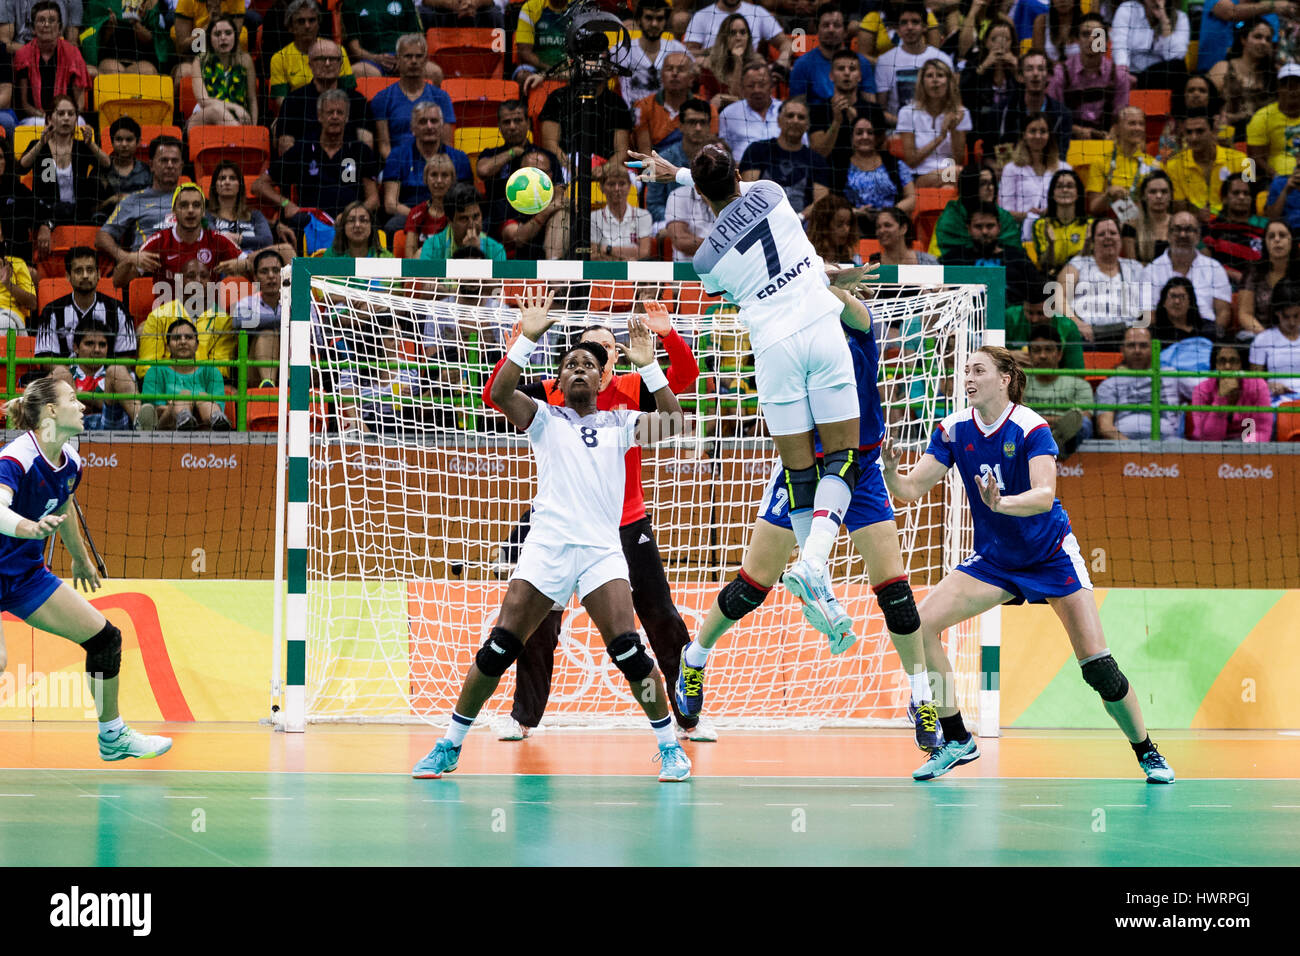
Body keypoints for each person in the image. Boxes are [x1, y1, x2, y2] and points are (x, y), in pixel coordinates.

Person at [411, 294, 693, 782]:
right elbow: (499, 393)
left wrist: (650, 368)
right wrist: (525, 340)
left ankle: (670, 746)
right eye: (571, 364)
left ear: (604, 377)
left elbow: (673, 422)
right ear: (558, 381)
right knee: (499, 648)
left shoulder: (621, 424)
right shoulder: (545, 419)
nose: (580, 368)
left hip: (602, 551)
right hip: (546, 549)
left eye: (590, 363)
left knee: (629, 650)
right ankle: (450, 743)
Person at [880, 346, 1175, 783]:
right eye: (966, 371)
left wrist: (1001, 502)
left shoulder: (1031, 427)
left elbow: (1043, 495)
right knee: (920, 625)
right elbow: (909, 489)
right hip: (998, 559)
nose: (969, 377)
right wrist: (889, 470)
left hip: (1050, 555)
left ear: (1004, 379)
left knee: (1098, 667)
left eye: (979, 370)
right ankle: (958, 738)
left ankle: (1146, 750)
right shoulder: (952, 429)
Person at [633, 142, 877, 650]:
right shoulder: (770, 191)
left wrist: (683, 179)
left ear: (699, 192)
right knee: (843, 456)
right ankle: (813, 564)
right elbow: (740, 196)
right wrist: (683, 175)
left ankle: (819, 580)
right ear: (741, 173)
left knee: (799, 471)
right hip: (820, 328)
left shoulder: (703, 261)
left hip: (773, 351)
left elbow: (728, 210)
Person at [677, 283, 936, 749]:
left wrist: (815, 277)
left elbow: (856, 310)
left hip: (862, 467)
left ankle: (921, 696)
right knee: (752, 586)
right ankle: (693, 658)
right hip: (801, 470)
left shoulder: (856, 331)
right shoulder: (790, 337)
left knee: (895, 590)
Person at [479, 313, 709, 742]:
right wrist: (519, 342)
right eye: (586, 353)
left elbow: (687, 378)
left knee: (660, 616)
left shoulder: (632, 389)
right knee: (539, 625)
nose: (592, 362)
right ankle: (524, 716)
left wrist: (667, 336)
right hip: (564, 531)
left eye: (603, 354)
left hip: (626, 525)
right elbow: (496, 396)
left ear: (612, 364)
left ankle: (688, 715)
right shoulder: (556, 393)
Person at [0, 378, 173, 761]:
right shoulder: (16, 458)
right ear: (50, 411)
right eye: (72, 399)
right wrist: (27, 528)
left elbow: (62, 507)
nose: (81, 406)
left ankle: (112, 737)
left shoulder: (71, 459)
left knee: (105, 639)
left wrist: (78, 556)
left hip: (26, 576)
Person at [255, 88, 381, 226]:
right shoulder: (302, 149)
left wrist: (353, 215)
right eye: (329, 112)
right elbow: (259, 185)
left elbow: (374, 199)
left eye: (340, 112)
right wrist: (286, 203)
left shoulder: (360, 150)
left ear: (347, 118)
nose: (335, 116)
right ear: (320, 116)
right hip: (311, 223)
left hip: (350, 225)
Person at [114, 182, 245, 288]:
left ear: (204, 211)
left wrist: (244, 265)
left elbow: (252, 266)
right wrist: (130, 258)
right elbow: (118, 282)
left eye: (196, 205)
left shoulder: (217, 239)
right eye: (183, 205)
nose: (190, 211)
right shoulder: (159, 241)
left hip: (208, 315)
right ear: (174, 211)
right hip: (169, 316)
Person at [17, 94, 109, 231]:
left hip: (80, 214)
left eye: (71, 114)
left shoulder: (82, 147)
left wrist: (92, 145)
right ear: (49, 119)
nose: (66, 118)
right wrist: (41, 144)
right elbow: (21, 167)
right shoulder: (40, 146)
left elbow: (107, 165)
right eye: (60, 114)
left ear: (76, 119)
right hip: (47, 214)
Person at [34, 245, 137, 365]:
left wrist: (104, 377)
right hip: (65, 378)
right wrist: (67, 375)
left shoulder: (118, 309)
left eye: (90, 270)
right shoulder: (51, 311)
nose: (85, 275)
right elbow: (46, 360)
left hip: (108, 378)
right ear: (68, 276)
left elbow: (126, 358)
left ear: (98, 274)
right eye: (78, 271)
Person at [135, 256, 235, 379]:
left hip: (205, 387)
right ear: (179, 282)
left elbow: (222, 368)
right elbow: (146, 367)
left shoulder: (224, 320)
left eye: (204, 276)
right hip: (165, 386)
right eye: (191, 276)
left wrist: (189, 376)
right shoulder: (159, 316)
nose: (198, 281)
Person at [275, 38, 375, 156]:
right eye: (321, 59)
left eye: (333, 59)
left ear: (340, 64)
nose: (327, 63)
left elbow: (366, 144)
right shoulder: (294, 101)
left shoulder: (356, 100)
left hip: (347, 167)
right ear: (310, 64)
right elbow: (285, 146)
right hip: (307, 168)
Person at [475, 100, 561, 238]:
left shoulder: (546, 156)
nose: (512, 126)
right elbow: (483, 171)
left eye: (518, 120)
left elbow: (559, 192)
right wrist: (512, 153)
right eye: (507, 122)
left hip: (539, 215)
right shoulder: (490, 154)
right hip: (499, 219)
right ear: (499, 126)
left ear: (528, 123)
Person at [380, 101, 469, 234]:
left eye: (434, 121)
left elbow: (467, 200)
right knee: (392, 226)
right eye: (422, 122)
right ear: (413, 128)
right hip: (409, 214)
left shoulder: (459, 158)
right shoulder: (397, 155)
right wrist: (420, 217)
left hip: (448, 214)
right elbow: (391, 204)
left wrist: (439, 217)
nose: (429, 126)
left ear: (442, 126)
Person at [96, 134, 184, 265]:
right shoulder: (134, 200)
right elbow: (101, 238)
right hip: (148, 269)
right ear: (151, 165)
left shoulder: (194, 199)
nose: (170, 165)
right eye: (164, 160)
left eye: (175, 161)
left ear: (181, 166)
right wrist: (127, 257)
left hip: (188, 269)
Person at [940, 202, 1049, 307]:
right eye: (978, 226)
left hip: (1010, 321)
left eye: (990, 226)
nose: (984, 231)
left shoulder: (1017, 258)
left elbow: (1038, 292)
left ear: (999, 227)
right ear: (969, 228)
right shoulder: (954, 259)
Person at [1140, 210, 1233, 332]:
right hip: (1164, 335)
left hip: (1204, 333)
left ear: (1198, 236)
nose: (1183, 235)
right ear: (1168, 235)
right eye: (1177, 229)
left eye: (1189, 230)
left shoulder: (1214, 268)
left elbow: (1224, 312)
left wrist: (1211, 337)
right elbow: (1147, 315)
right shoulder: (1150, 271)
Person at [739, 96, 831, 218]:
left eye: (801, 117)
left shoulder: (817, 160)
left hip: (802, 224)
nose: (795, 120)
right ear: (778, 120)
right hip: (759, 220)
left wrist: (799, 218)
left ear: (808, 125)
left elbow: (821, 202)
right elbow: (747, 191)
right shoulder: (757, 150)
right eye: (790, 115)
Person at [1057, 217, 1144, 345]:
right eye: (1101, 234)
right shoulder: (1078, 264)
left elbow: (1148, 307)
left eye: (1113, 233)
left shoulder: (1135, 268)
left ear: (1120, 239)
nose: (1107, 237)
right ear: (1092, 241)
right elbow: (1058, 299)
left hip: (1128, 337)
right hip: (1086, 335)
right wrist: (1077, 323)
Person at [1046, 15, 1131, 143]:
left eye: (1098, 35)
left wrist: (1115, 130)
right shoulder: (1061, 73)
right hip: (1068, 139)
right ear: (1076, 40)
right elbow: (1052, 115)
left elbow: (1121, 115)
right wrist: (1076, 130)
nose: (1092, 39)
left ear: (1106, 40)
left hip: (1107, 140)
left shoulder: (1118, 75)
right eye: (1085, 34)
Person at [371, 33, 455, 159]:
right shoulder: (382, 98)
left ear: (426, 60)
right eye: (408, 56)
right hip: (397, 165)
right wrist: (402, 168)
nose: (414, 61)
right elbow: (384, 147)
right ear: (398, 59)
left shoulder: (441, 97)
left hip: (434, 166)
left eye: (419, 56)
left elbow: (447, 144)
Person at [140, 315, 231, 430]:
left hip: (205, 428)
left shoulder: (211, 371)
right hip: (166, 429)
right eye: (176, 338)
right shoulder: (155, 370)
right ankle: (184, 419)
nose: (183, 341)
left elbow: (218, 405)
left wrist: (189, 402)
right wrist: (179, 404)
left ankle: (217, 420)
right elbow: (154, 412)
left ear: (197, 345)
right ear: (167, 346)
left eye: (188, 337)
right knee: (185, 396)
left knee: (202, 398)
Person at [808, 50, 880, 194]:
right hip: (829, 179)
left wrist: (856, 123)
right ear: (831, 76)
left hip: (867, 179)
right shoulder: (818, 110)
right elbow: (819, 153)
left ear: (859, 76)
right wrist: (837, 121)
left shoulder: (873, 110)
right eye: (841, 69)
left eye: (852, 69)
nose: (847, 73)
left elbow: (878, 153)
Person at [539, 76, 633, 181]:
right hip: (567, 163)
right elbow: (550, 144)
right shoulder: (558, 97)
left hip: (606, 164)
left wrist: (604, 169)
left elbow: (622, 151)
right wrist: (573, 168)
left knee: (631, 180)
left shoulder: (617, 103)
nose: (591, 72)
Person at [1020, 323, 1093, 458]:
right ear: (1029, 355)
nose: (1042, 355)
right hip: (1031, 432)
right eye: (1036, 350)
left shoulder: (1079, 384)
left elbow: (1084, 416)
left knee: (1085, 424)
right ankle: (1053, 444)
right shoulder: (1019, 383)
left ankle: (1057, 445)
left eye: (1048, 349)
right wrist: (1057, 422)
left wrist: (1044, 421)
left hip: (1068, 437)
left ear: (1059, 354)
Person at [1094, 326, 1181, 439]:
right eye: (1131, 345)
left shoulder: (1172, 375)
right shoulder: (1110, 384)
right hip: (1124, 444)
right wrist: (1132, 448)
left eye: (1143, 345)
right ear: (1122, 350)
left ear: (1154, 348)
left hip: (1167, 442)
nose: (1137, 350)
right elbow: (1105, 427)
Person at [268, 0, 358, 108]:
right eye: (301, 21)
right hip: (298, 112)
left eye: (312, 20)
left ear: (318, 24)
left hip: (335, 110)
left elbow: (349, 92)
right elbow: (281, 101)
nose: (307, 26)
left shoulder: (337, 51)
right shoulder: (279, 58)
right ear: (290, 27)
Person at [874, 2, 951, 126]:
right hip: (898, 130)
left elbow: (951, 104)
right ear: (898, 29)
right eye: (904, 23)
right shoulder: (885, 61)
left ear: (925, 26)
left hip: (936, 129)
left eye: (915, 22)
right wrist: (908, 126)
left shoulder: (942, 59)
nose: (909, 27)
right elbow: (881, 111)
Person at [55, 317, 141, 429]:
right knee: (59, 373)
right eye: (89, 343)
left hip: (110, 425)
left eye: (102, 345)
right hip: (72, 426)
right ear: (76, 347)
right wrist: (99, 399)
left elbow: (115, 405)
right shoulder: (65, 373)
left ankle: (141, 424)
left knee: (117, 370)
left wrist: (78, 394)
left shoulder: (119, 373)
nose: (97, 349)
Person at [839, 111, 914, 236]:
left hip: (892, 227)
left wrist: (888, 213)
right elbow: (833, 204)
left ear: (877, 136)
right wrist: (856, 212)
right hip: (853, 227)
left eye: (870, 132)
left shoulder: (895, 163)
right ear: (851, 137)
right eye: (859, 133)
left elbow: (912, 198)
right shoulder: (841, 166)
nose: (865, 136)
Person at [207, 160, 296, 265]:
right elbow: (215, 241)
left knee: (286, 250)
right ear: (215, 186)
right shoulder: (208, 216)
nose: (227, 182)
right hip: (224, 262)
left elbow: (266, 240)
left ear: (240, 185)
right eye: (222, 178)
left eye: (232, 178)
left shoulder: (255, 215)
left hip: (254, 263)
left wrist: (239, 238)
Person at [1168, 108, 1249, 219]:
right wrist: (1197, 215)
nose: (1194, 137)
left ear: (1213, 131)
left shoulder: (1243, 160)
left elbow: (1250, 202)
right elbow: (1178, 208)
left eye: (1200, 131)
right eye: (1189, 132)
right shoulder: (1173, 165)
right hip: (1192, 224)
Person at [897, 58, 966, 188]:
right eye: (929, 76)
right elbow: (911, 161)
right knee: (965, 176)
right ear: (922, 82)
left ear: (949, 81)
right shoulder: (907, 112)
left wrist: (955, 128)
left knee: (948, 188)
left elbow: (959, 159)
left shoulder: (960, 112)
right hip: (919, 176)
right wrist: (941, 137)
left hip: (951, 175)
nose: (935, 80)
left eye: (940, 75)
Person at [644, 97, 713, 227]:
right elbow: (653, 205)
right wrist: (678, 221)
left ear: (709, 126)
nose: (698, 128)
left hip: (710, 222)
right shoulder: (659, 160)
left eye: (703, 122)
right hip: (670, 223)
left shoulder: (718, 159)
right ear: (680, 126)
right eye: (692, 122)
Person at [13, 1, 88, 119]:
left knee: (81, 123)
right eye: (41, 20)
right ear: (33, 28)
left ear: (59, 28)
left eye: (52, 20)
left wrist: (66, 116)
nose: (46, 24)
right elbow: (24, 104)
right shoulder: (23, 55)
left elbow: (80, 102)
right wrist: (45, 117)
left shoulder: (73, 54)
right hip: (35, 118)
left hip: (68, 117)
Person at [991, 48, 1072, 159]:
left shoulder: (1062, 115)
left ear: (1048, 76)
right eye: (1029, 69)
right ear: (1020, 77)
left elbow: (1060, 158)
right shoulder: (1001, 111)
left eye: (1041, 69)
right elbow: (989, 157)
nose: (1035, 73)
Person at [999, 114, 1069, 239]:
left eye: (1043, 131)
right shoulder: (1011, 169)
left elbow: (1071, 206)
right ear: (1024, 135)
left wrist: (1050, 211)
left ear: (1049, 135)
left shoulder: (1064, 168)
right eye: (1032, 131)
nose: (1038, 136)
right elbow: (1004, 211)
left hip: (1058, 232)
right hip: (1019, 234)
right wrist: (1027, 215)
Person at [181, 14, 257, 129]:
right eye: (217, 34)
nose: (223, 37)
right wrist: (235, 107)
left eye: (228, 33)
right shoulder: (200, 61)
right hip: (203, 119)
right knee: (216, 110)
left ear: (235, 36)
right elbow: (203, 101)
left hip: (237, 119)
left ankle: (243, 134)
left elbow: (252, 100)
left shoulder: (246, 61)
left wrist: (254, 128)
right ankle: (240, 134)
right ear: (209, 38)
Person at [789, 3, 875, 106]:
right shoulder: (803, 64)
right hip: (816, 120)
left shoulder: (861, 63)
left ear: (845, 31)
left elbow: (871, 107)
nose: (831, 30)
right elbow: (796, 107)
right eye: (826, 25)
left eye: (837, 25)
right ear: (817, 30)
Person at [929, 161, 1020, 257]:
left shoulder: (1005, 217)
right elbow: (941, 259)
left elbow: (1014, 254)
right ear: (969, 186)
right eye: (983, 183)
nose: (990, 188)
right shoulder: (951, 218)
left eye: (992, 183)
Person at [1083, 106, 1159, 219]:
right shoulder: (1100, 162)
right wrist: (1109, 195)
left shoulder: (1154, 165)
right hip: (1109, 227)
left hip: (1143, 226)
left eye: (1141, 124)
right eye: (1132, 123)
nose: (1137, 128)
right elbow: (1093, 207)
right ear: (1117, 128)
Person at [1190, 341, 1275, 440]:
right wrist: (1220, 399)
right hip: (1211, 447)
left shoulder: (1258, 386)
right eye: (1222, 361)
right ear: (1215, 365)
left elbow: (1262, 431)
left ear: (1241, 364)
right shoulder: (1201, 390)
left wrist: (1244, 451)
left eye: (1233, 361)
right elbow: (1209, 438)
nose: (1227, 366)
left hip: (1247, 445)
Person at [959, 14, 1019, 154]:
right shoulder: (973, 64)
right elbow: (964, 96)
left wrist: (1017, 71)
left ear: (1012, 42)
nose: (1001, 44)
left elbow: (1026, 100)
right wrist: (983, 67)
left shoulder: (1019, 65)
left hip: (1011, 133)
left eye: (1006, 39)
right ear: (986, 42)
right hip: (980, 133)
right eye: (994, 39)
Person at [633, 50, 711, 156]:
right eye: (669, 69)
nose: (674, 73)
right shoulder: (643, 106)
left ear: (691, 78)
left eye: (681, 69)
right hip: (656, 166)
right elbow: (645, 153)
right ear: (661, 76)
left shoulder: (706, 109)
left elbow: (709, 147)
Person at [1209, 17, 1277, 138]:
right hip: (1229, 138)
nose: (1263, 42)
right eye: (1258, 37)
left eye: (1268, 39)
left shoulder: (1275, 74)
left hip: (1265, 140)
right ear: (1243, 39)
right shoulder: (1223, 68)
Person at [613, 0, 687, 108]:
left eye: (659, 19)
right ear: (638, 20)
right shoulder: (622, 49)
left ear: (666, 21)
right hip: (631, 117)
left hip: (666, 117)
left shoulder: (677, 49)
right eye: (649, 18)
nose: (654, 24)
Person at [684, 0, 790, 74]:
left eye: (742, 32)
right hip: (714, 71)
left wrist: (782, 60)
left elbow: (786, 43)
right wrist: (709, 55)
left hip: (749, 70)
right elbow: (687, 53)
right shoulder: (701, 16)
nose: (737, 37)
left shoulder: (757, 12)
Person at [500, 149, 569, 261]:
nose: (534, 178)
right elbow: (518, 238)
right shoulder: (508, 200)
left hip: (548, 268)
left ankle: (554, 266)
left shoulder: (557, 201)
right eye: (530, 172)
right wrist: (547, 211)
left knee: (562, 212)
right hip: (517, 268)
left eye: (540, 172)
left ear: (550, 176)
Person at [1203, 172, 1268, 285]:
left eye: (1246, 193)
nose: (1241, 197)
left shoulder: (1265, 226)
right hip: (1221, 286)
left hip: (1259, 286)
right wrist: (1235, 275)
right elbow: (1204, 264)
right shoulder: (1212, 228)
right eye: (1236, 193)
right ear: (1224, 198)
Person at [1111, 0, 1189, 92]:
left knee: (1178, 67)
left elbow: (1176, 56)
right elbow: (1120, 45)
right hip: (1132, 73)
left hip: (1161, 75)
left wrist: (1164, 20)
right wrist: (1124, 72)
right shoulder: (1128, 9)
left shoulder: (1180, 17)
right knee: (1119, 74)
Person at [232, 249, 284, 387]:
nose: (271, 276)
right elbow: (238, 321)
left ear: (285, 274)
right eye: (264, 271)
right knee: (268, 334)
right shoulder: (246, 302)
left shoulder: (302, 301)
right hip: (254, 374)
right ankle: (268, 385)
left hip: (299, 369)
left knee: (291, 336)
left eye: (276, 270)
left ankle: (290, 382)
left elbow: (316, 334)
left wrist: (261, 321)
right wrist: (287, 320)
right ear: (255, 277)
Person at [1027, 169, 1091, 280]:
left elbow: (1090, 263)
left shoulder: (1090, 224)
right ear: (1053, 193)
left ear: (1078, 193)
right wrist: (1051, 245)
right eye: (1059, 186)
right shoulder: (1041, 225)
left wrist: (1087, 244)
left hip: (1084, 279)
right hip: (1051, 281)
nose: (1065, 190)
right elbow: (1045, 266)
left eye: (1070, 186)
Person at [1238, 220, 1298, 336]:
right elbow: (1245, 314)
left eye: (1282, 235)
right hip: (1260, 336)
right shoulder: (1253, 271)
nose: (1277, 240)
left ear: (1292, 240)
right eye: (1271, 236)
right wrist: (1267, 338)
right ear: (1264, 243)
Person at [419, 181, 506, 261]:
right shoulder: (431, 247)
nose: (471, 225)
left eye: (476, 216)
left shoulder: (496, 250)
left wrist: (475, 252)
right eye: (464, 219)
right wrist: (468, 252)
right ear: (450, 221)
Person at [717, 62, 781, 168]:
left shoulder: (786, 111)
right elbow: (724, 151)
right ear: (742, 88)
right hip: (743, 174)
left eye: (761, 85)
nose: (756, 90)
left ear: (771, 86)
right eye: (751, 86)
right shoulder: (729, 114)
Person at [697, 11, 764, 112]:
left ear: (748, 37)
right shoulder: (710, 64)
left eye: (742, 32)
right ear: (724, 38)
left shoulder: (758, 64)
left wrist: (738, 62)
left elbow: (752, 101)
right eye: (732, 33)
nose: (738, 37)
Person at [1246, 64, 1300, 185]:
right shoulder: (1262, 117)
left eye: (1297, 85)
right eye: (1287, 85)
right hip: (1277, 180)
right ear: (1278, 89)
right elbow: (1255, 157)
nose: (1293, 90)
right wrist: (1276, 177)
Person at [339, 0, 421, 78]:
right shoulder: (351, 4)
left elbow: (418, 37)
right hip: (371, 61)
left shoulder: (405, 1)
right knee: (358, 71)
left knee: (431, 71)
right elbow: (354, 48)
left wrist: (407, 57)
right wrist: (375, 58)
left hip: (406, 57)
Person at [1198, 0, 1288, 72]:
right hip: (1209, 72)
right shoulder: (1268, 8)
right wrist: (1271, 5)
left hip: (1252, 77)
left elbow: (1271, 49)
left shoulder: (1271, 16)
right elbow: (1230, 12)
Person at [1249, 278, 1300, 403]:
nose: (1292, 322)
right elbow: (1255, 385)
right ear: (1277, 312)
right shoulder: (1262, 340)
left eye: (1297, 315)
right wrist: (1269, 387)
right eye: (1286, 316)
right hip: (1277, 402)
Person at [590, 162, 652, 261]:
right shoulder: (594, 217)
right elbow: (593, 254)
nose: (617, 189)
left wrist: (607, 249)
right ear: (601, 187)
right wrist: (626, 255)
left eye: (622, 183)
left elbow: (644, 252)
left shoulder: (643, 215)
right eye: (611, 184)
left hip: (634, 270)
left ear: (629, 186)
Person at [403, 152, 453, 257]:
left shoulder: (458, 212)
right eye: (434, 175)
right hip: (423, 270)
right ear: (425, 178)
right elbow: (410, 258)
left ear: (452, 180)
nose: (439, 180)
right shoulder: (416, 213)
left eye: (444, 175)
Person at [100, 116, 152, 209]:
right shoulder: (100, 171)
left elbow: (153, 205)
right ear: (112, 142)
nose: (124, 144)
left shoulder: (147, 172)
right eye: (119, 139)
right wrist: (110, 201)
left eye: (129, 139)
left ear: (138, 142)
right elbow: (91, 210)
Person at [1124, 169, 1173, 263]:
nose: (1159, 196)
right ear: (1143, 195)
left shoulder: (1179, 224)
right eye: (1153, 192)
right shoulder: (1131, 226)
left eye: (1164, 191)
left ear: (1171, 195)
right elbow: (1133, 267)